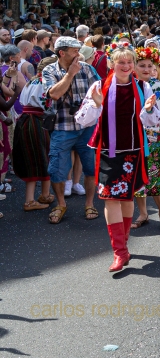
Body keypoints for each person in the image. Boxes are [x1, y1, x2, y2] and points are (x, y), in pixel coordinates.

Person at [74, 46, 160, 271]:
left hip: (133, 149)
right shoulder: (99, 86)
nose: (125, 66)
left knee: (126, 198)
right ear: (112, 64)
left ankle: (123, 245)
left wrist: (150, 109)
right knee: (110, 198)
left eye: (129, 62)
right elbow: (82, 120)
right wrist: (95, 104)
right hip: (107, 151)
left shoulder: (143, 86)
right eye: (120, 62)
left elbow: (152, 121)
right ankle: (119, 252)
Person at [42, 37, 100, 224]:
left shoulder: (88, 68)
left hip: (87, 127)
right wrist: (70, 74)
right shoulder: (49, 70)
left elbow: (101, 89)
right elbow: (55, 94)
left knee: (91, 168)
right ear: (62, 53)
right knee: (56, 169)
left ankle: (89, 203)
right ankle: (60, 204)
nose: (78, 54)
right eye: (74, 51)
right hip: (62, 128)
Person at [130, 47, 160, 231]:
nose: (146, 69)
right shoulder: (130, 84)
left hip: (153, 134)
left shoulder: (158, 87)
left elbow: (157, 116)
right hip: (134, 133)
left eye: (149, 66)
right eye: (142, 65)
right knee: (138, 173)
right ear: (135, 67)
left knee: (156, 173)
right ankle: (143, 213)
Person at [15, 57, 57, 212]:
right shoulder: (44, 82)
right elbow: (47, 104)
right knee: (42, 156)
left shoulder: (31, 81)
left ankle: (44, 194)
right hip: (37, 121)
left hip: (27, 120)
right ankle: (30, 200)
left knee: (39, 156)